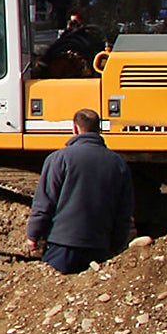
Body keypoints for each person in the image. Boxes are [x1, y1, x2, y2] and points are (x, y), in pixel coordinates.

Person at [24, 108, 135, 273]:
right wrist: (117, 244)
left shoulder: (59, 159)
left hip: (62, 246)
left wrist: (33, 235)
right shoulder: (118, 163)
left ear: (75, 128)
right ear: (99, 129)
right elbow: (124, 210)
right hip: (99, 246)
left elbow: (44, 202)